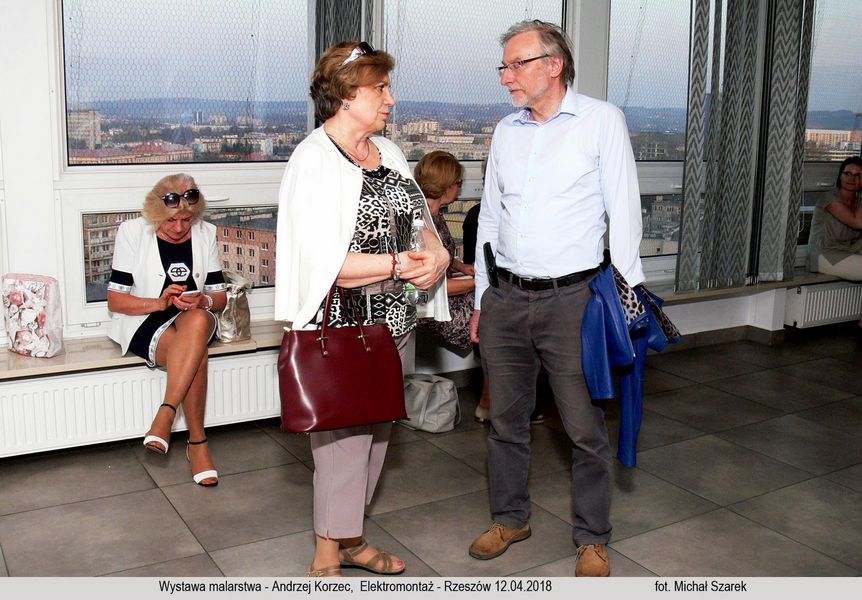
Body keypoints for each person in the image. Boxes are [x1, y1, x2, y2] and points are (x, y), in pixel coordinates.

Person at [469, 20, 645, 577]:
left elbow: (625, 213)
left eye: (516, 65)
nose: (506, 77)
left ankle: (592, 537)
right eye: (503, 66)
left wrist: (625, 303)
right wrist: (482, 298)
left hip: (573, 302)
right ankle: (510, 518)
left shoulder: (601, 120)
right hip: (505, 298)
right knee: (505, 422)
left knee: (583, 429)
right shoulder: (506, 131)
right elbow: (490, 217)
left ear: (554, 65)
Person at [274, 41, 450, 577]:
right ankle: (327, 556)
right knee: (343, 444)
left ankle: (351, 538)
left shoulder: (388, 152)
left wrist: (437, 255)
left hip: (395, 323)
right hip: (343, 325)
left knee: (376, 437)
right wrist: (398, 263)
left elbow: (420, 222)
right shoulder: (313, 159)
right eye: (381, 88)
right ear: (347, 94)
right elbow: (319, 261)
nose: (390, 99)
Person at [107, 173, 227, 487]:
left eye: (187, 220)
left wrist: (202, 299)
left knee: (198, 320)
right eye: (171, 220)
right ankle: (197, 442)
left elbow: (219, 298)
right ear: (156, 213)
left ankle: (166, 413)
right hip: (145, 318)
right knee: (196, 354)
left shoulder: (206, 233)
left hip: (192, 318)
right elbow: (116, 300)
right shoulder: (132, 232)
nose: (179, 228)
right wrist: (159, 303)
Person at [413, 151, 475, 352]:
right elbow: (433, 288)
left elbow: (443, 253)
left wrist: (462, 267)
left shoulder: (434, 214)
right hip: (433, 306)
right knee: (495, 303)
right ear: (448, 186)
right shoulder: (419, 221)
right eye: (459, 183)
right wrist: (479, 282)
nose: (460, 188)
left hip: (444, 295)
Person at [808, 156, 862, 281]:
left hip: (850, 250)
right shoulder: (829, 198)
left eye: (858, 175)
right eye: (847, 173)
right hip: (825, 254)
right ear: (840, 176)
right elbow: (857, 222)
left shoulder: (859, 203)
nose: (851, 178)